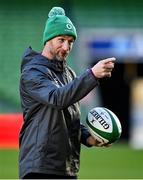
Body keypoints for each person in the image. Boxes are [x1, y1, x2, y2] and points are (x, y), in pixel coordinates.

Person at [19, 6, 115, 179]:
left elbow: (70, 117)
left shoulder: (69, 74)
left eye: (70, 41)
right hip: (40, 167)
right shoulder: (32, 72)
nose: (66, 46)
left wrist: (88, 138)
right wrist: (92, 74)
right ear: (48, 39)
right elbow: (57, 99)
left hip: (67, 167)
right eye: (61, 40)